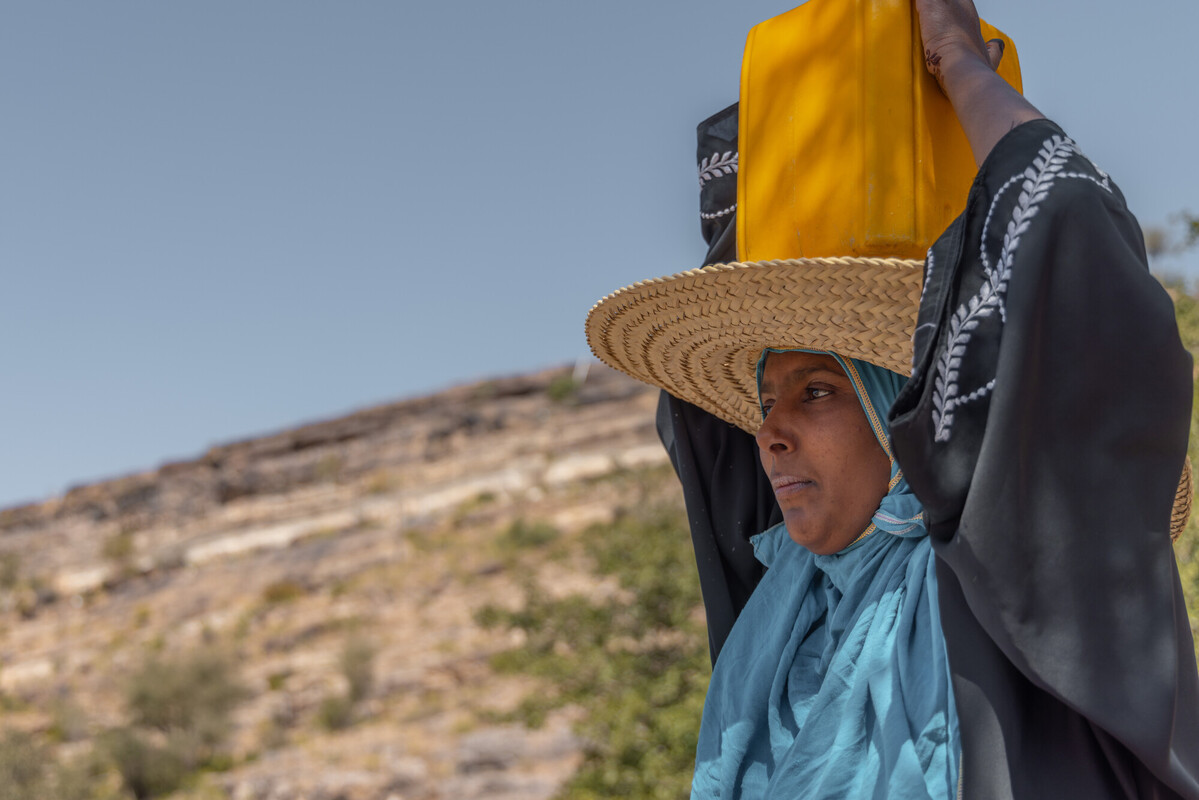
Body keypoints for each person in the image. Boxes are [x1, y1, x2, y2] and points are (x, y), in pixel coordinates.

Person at [585, 0, 1199, 797]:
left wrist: (954, 61)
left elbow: (1067, 233)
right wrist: (775, 151)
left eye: (816, 391)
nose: (767, 433)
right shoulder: (786, 613)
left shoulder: (1034, 589)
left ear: (907, 414)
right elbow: (701, 431)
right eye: (765, 402)